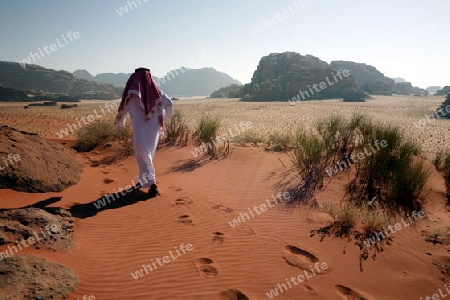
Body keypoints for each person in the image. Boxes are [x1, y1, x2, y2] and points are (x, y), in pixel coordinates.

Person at [114, 67, 173, 197]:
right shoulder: (140, 94)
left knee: (145, 154)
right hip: (147, 130)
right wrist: (161, 118)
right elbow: (170, 106)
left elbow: (169, 104)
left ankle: (152, 185)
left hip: (146, 131)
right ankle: (145, 180)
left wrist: (161, 118)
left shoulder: (151, 94)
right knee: (145, 155)